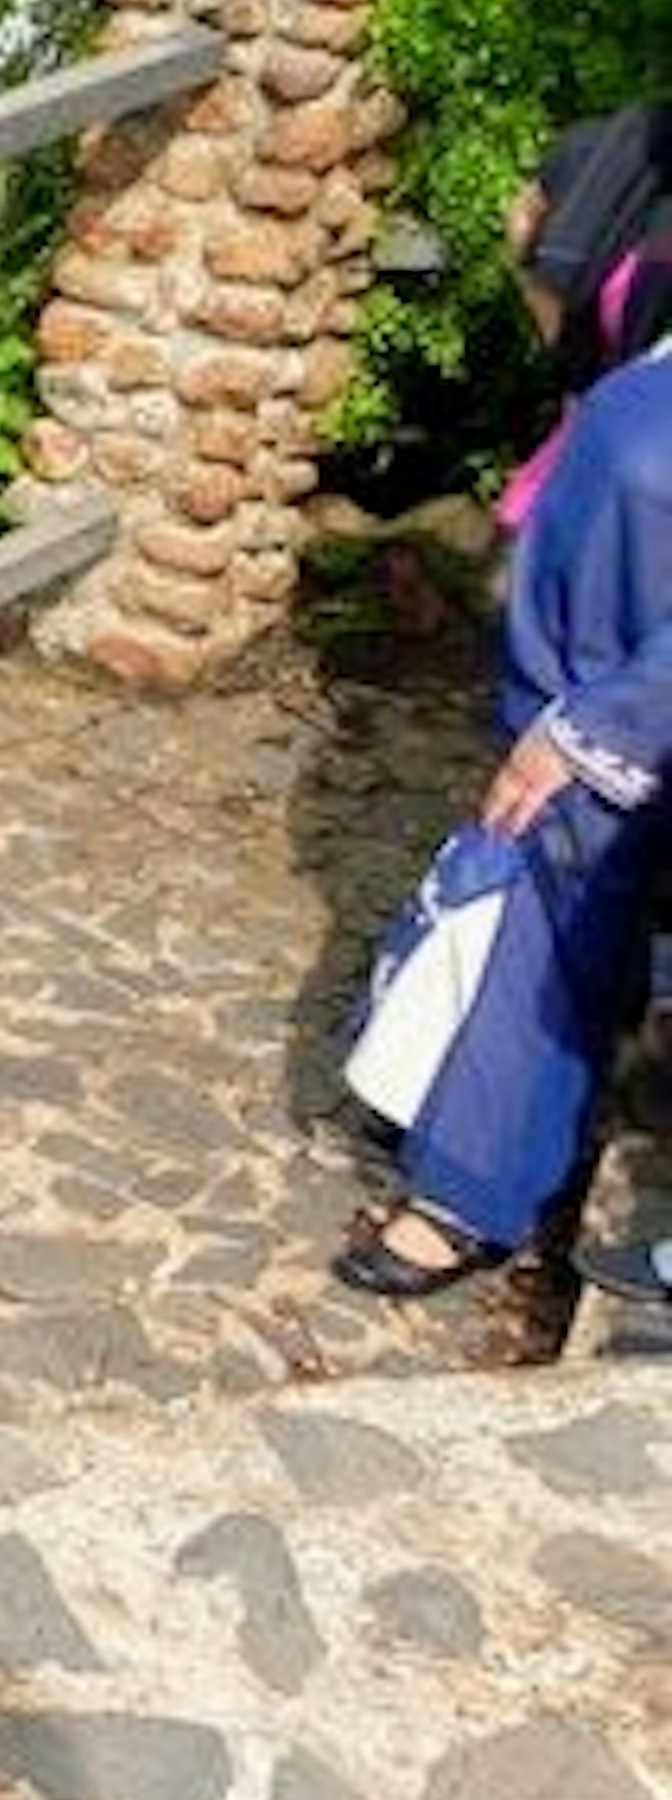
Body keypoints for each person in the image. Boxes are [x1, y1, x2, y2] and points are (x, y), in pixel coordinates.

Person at [330, 314, 672, 1305]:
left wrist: (590, 726)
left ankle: (467, 1194)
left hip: (621, 711)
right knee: (551, 914)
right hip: (595, 673)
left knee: (543, 923)